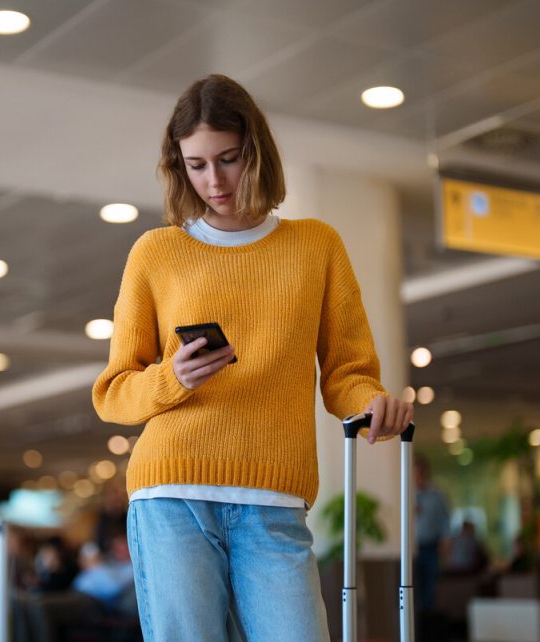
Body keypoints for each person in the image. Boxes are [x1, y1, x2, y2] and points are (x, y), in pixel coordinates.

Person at [91, 74, 413, 642]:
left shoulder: (316, 246)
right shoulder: (156, 252)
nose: (213, 180)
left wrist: (373, 407)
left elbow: (347, 372)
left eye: (229, 158)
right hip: (172, 495)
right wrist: (173, 378)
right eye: (195, 164)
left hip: (273, 502)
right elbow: (114, 392)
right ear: (178, 166)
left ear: (256, 151)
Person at [413, 453, 449, 613]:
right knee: (413, 587)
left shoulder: (437, 495)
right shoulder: (406, 494)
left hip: (431, 547)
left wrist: (446, 540)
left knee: (430, 588)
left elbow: (445, 519)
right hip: (411, 549)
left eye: (420, 473)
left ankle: (429, 623)